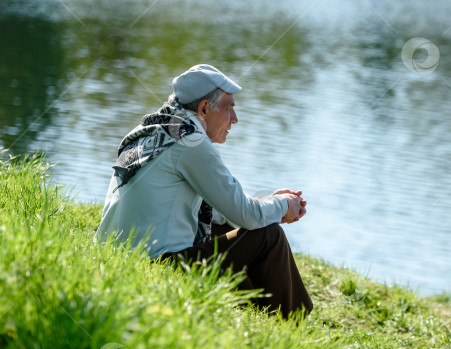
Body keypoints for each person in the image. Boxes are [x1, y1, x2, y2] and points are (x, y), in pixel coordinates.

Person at [95, 64, 313, 318]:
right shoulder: (192, 142)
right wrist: (283, 205)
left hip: (112, 258)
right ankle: (293, 323)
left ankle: (259, 316)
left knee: (234, 228)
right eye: (229, 107)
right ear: (204, 108)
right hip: (156, 267)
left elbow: (224, 209)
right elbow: (248, 215)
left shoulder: (155, 127)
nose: (235, 118)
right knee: (268, 235)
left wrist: (270, 204)